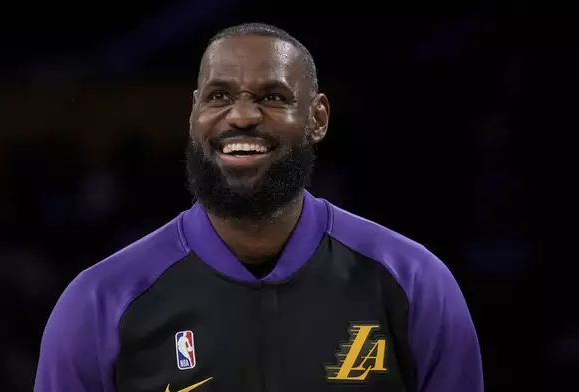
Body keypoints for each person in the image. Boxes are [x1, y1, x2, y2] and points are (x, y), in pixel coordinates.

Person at [34, 22, 483, 392]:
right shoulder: (99, 302)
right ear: (194, 115)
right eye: (219, 96)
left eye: (272, 97)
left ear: (318, 118)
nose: (243, 116)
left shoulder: (413, 282)